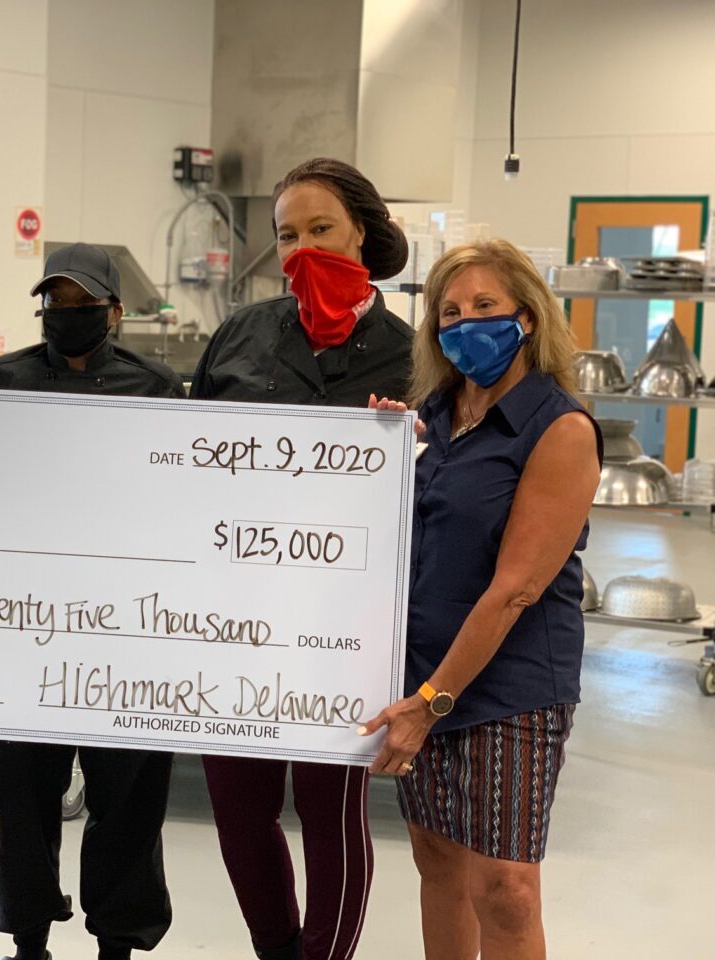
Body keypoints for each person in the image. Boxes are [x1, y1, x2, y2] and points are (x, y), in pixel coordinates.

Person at [190, 157, 412, 960]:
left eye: (322, 229)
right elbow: (185, 460)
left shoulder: (415, 356)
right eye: (288, 235)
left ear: (363, 235)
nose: (304, 249)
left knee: (330, 808)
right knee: (238, 806)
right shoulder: (241, 336)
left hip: (346, 625)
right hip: (235, 613)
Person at [361, 239, 601, 960]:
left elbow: (516, 587)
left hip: (509, 688)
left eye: (485, 306)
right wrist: (371, 449)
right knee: (437, 858)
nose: (466, 323)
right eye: (450, 312)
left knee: (505, 889)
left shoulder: (558, 428)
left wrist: (430, 702)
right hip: (423, 670)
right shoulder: (435, 417)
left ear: (527, 317)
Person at [0, 242, 185, 960]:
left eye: (82, 302)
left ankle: (117, 943)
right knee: (21, 796)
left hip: (125, 628)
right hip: (21, 624)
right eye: (55, 301)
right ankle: (29, 941)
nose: (67, 313)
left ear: (113, 311)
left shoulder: (156, 388)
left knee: (129, 797)